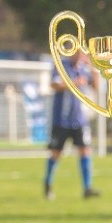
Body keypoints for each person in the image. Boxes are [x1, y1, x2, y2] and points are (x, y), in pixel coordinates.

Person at [44, 49, 100, 200]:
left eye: (82, 53)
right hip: (61, 120)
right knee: (56, 153)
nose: (80, 56)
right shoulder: (61, 66)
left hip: (79, 120)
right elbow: (54, 85)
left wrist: (94, 68)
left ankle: (87, 188)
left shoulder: (83, 68)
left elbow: (96, 87)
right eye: (77, 53)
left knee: (85, 151)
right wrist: (74, 83)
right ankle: (48, 184)